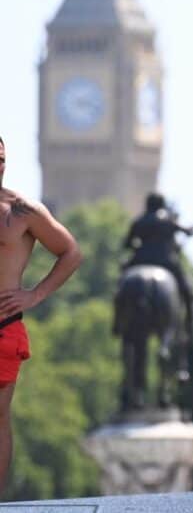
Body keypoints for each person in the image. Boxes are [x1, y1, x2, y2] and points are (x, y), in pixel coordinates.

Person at [0, 136, 82, 493]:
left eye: (1, 157)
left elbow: (70, 252)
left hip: (3, 327)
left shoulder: (21, 211)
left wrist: (36, 294)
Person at [122, 193, 193, 337]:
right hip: (166, 262)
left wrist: (137, 246)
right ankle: (190, 324)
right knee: (187, 291)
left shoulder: (139, 221)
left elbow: (127, 244)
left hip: (139, 260)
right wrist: (191, 230)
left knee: (121, 284)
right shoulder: (168, 220)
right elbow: (187, 231)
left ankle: (118, 320)